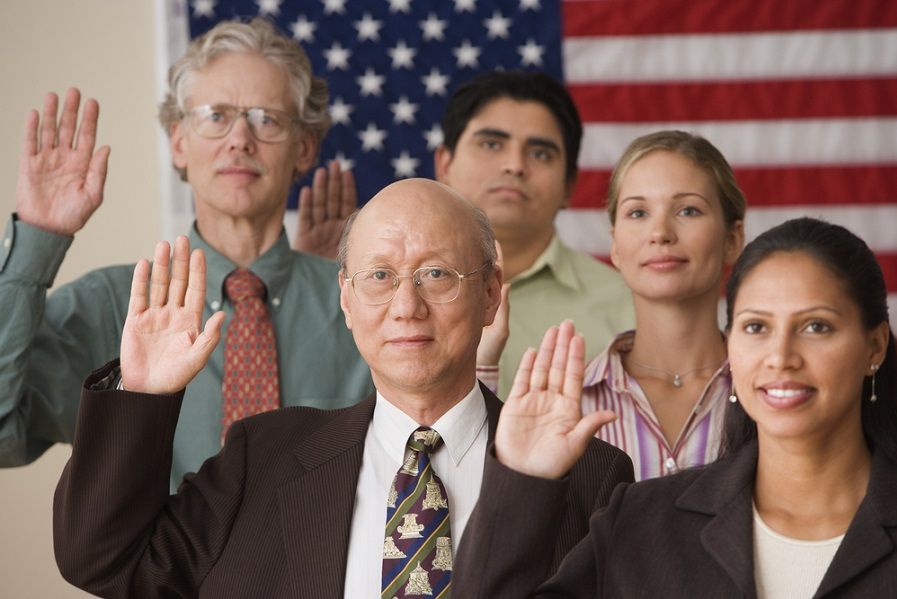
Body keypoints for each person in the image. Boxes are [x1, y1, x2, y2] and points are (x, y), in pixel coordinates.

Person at [53, 179, 634, 598]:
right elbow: (109, 563)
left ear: (490, 295)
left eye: (436, 274)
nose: (407, 307)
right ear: (347, 301)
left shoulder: (589, 476)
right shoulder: (265, 455)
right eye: (380, 277)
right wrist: (142, 394)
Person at [0, 18, 372, 488]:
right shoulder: (111, 305)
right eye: (215, 116)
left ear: (304, 148)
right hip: (162, 565)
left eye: (266, 118)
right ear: (178, 142)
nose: (240, 138)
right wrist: (37, 235)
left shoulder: (361, 304)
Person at [454, 217, 897, 597]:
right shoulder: (642, 521)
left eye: (816, 326)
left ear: (874, 346)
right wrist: (523, 478)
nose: (781, 356)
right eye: (756, 326)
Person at [434, 70, 635, 399]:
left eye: (540, 153)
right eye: (491, 144)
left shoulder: (627, 308)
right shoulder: (392, 291)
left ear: (569, 186)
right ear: (444, 165)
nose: (514, 165)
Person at [580, 130, 745, 480]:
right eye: (638, 213)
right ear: (615, 247)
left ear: (732, 239)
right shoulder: (567, 402)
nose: (660, 232)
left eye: (688, 210)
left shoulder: (768, 387)